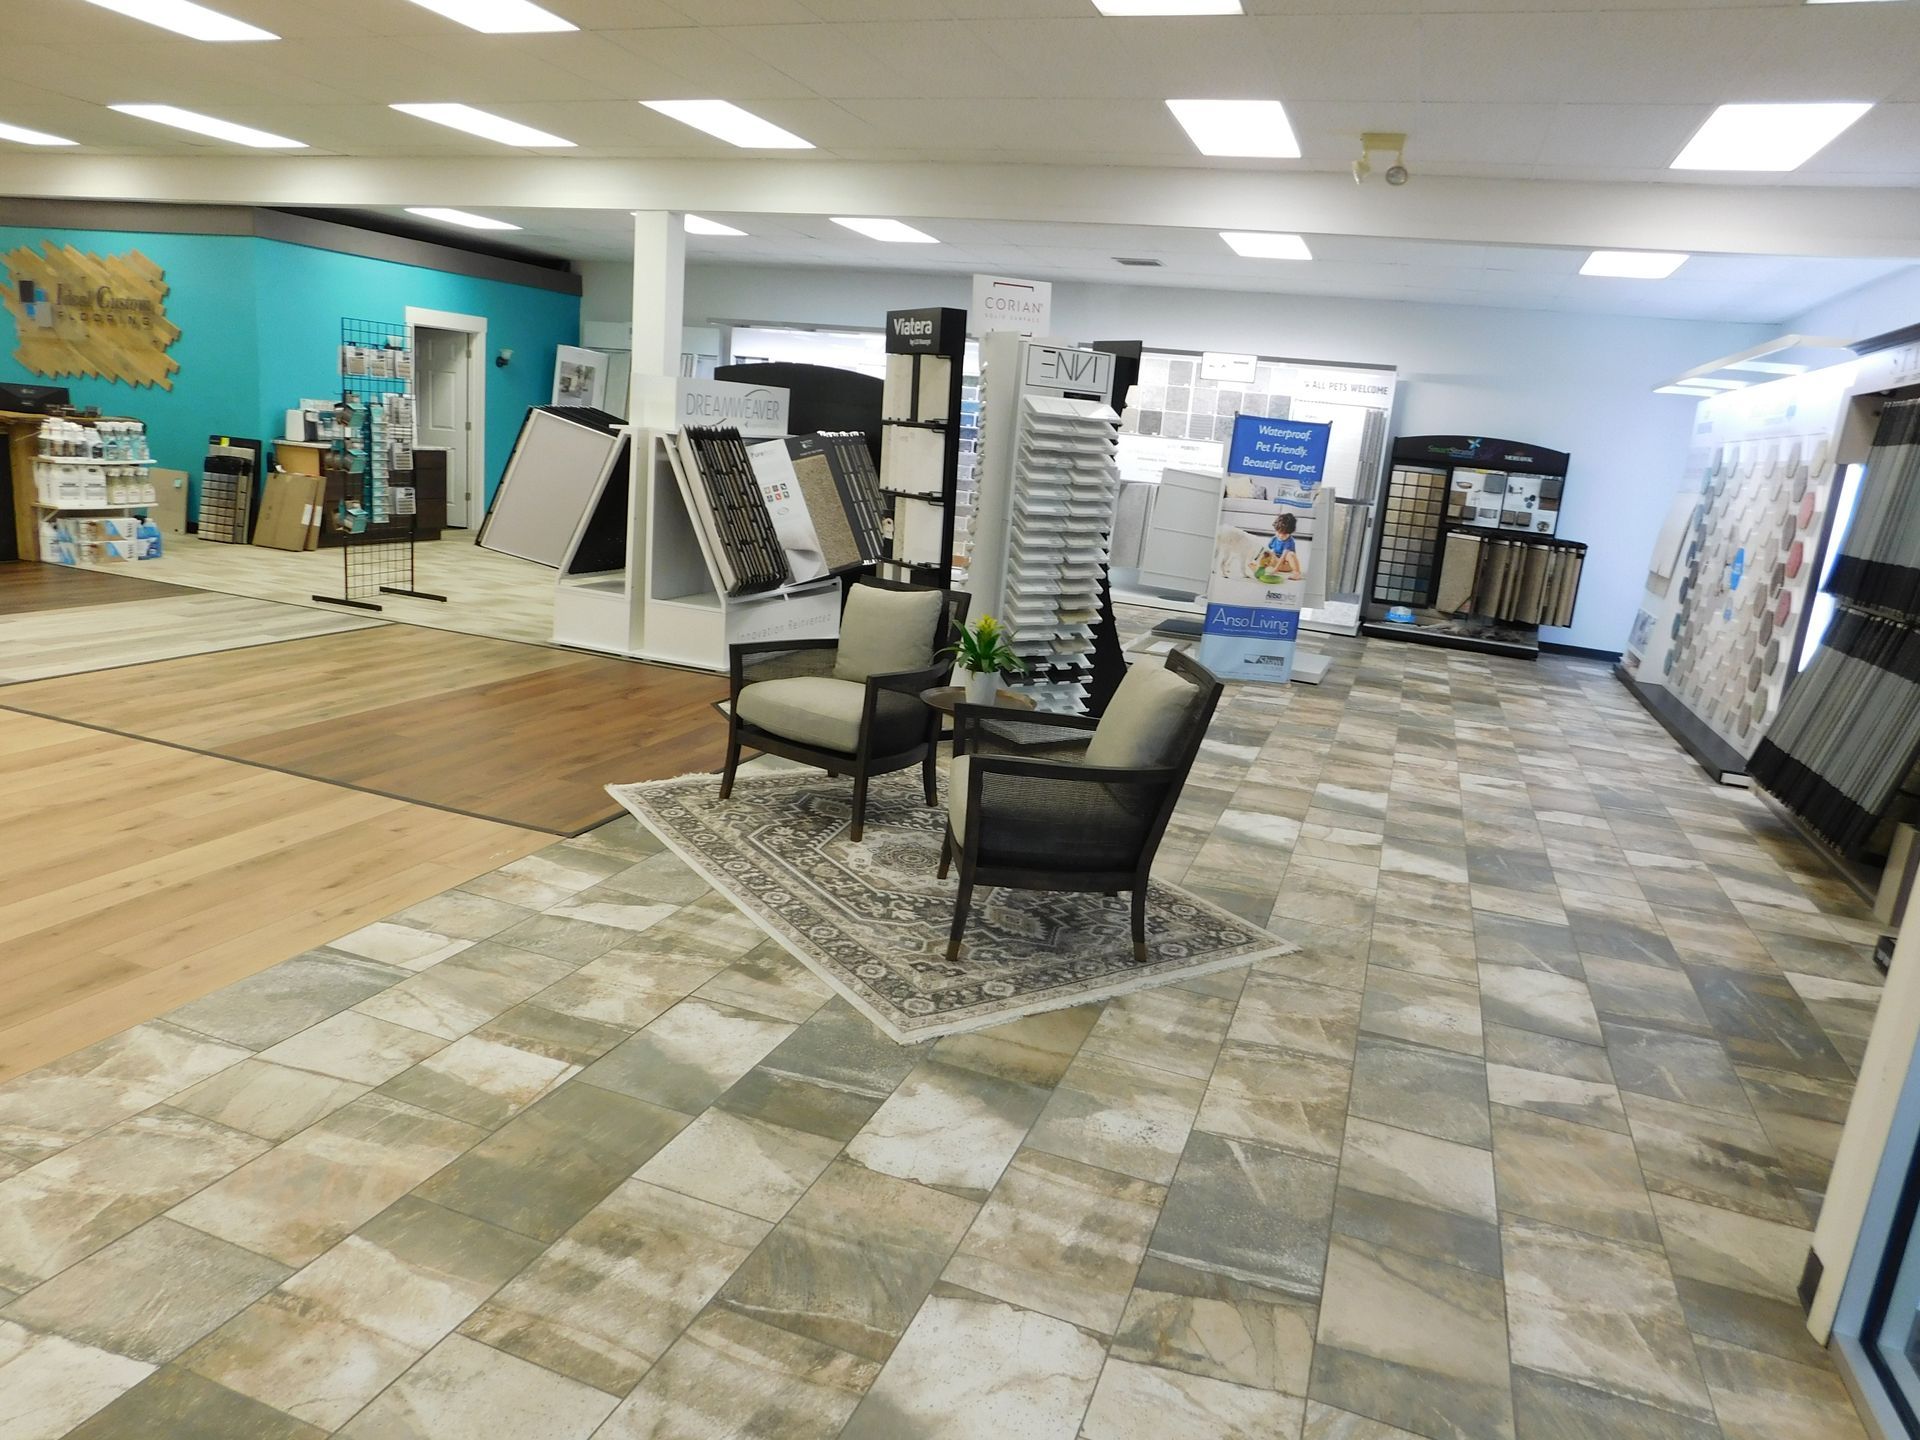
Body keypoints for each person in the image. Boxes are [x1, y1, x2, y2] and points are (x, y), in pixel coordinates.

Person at [1255, 511, 1302, 582]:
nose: (1281, 536)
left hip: (1286, 565)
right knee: (1268, 552)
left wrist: (1275, 570)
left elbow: (1283, 557)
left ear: (1290, 532)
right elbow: (1268, 551)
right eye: (1279, 533)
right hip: (1275, 561)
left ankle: (1297, 573)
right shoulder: (1274, 539)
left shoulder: (1289, 542)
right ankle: (1259, 566)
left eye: (1285, 534)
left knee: (1291, 554)